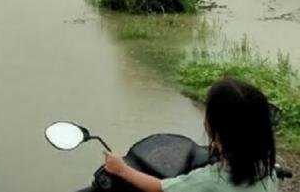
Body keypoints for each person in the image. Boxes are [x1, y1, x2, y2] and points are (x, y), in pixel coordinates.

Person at [104, 78, 278, 192]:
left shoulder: (211, 180)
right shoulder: (268, 169)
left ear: (217, 130)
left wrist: (122, 169)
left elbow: (160, 188)